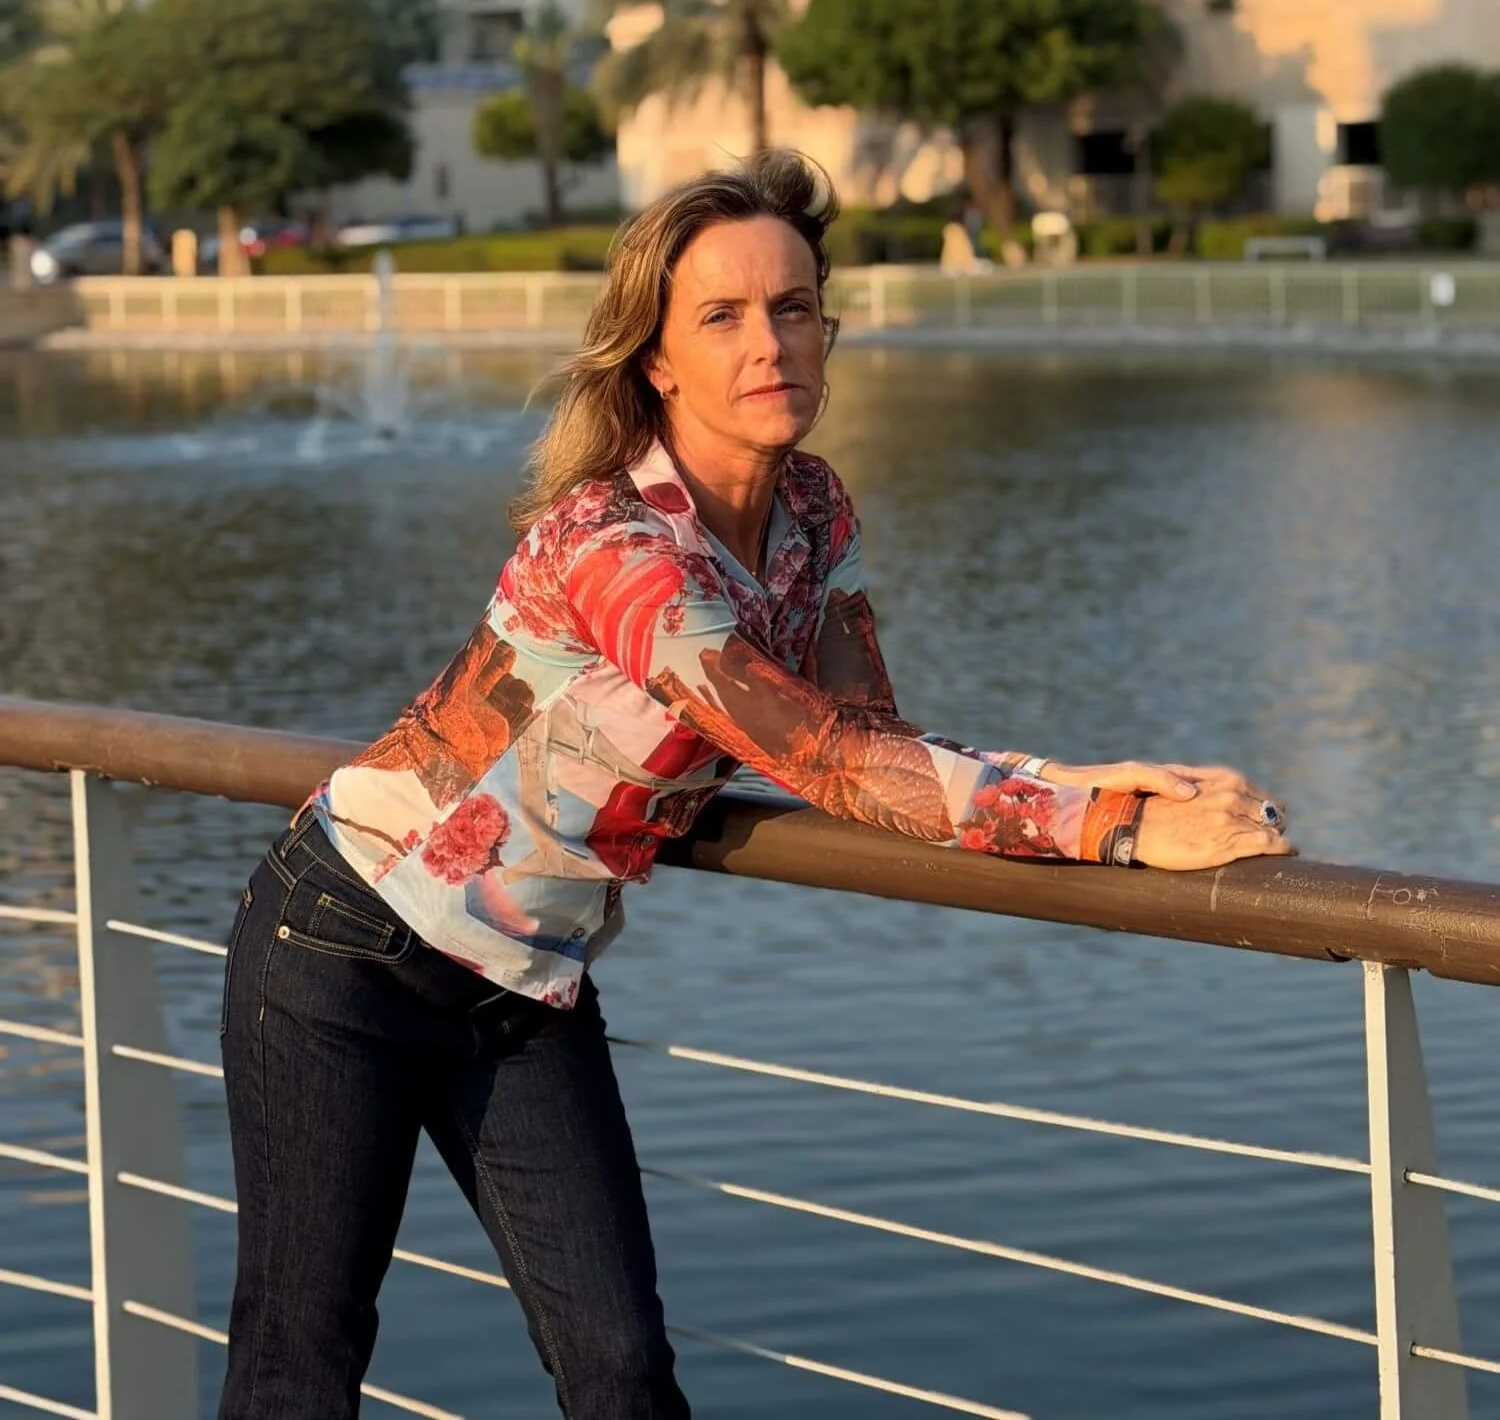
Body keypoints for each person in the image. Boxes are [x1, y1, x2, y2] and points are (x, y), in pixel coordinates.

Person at [217, 151, 1293, 1420]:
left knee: (620, 1366)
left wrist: (1087, 777)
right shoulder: (617, 551)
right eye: (721, 315)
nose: (769, 341)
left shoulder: (814, 513)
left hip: (524, 980)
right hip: (344, 943)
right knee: (303, 1363)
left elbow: (865, 734)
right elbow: (825, 759)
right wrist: (1110, 832)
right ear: (656, 358)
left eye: (793, 306)